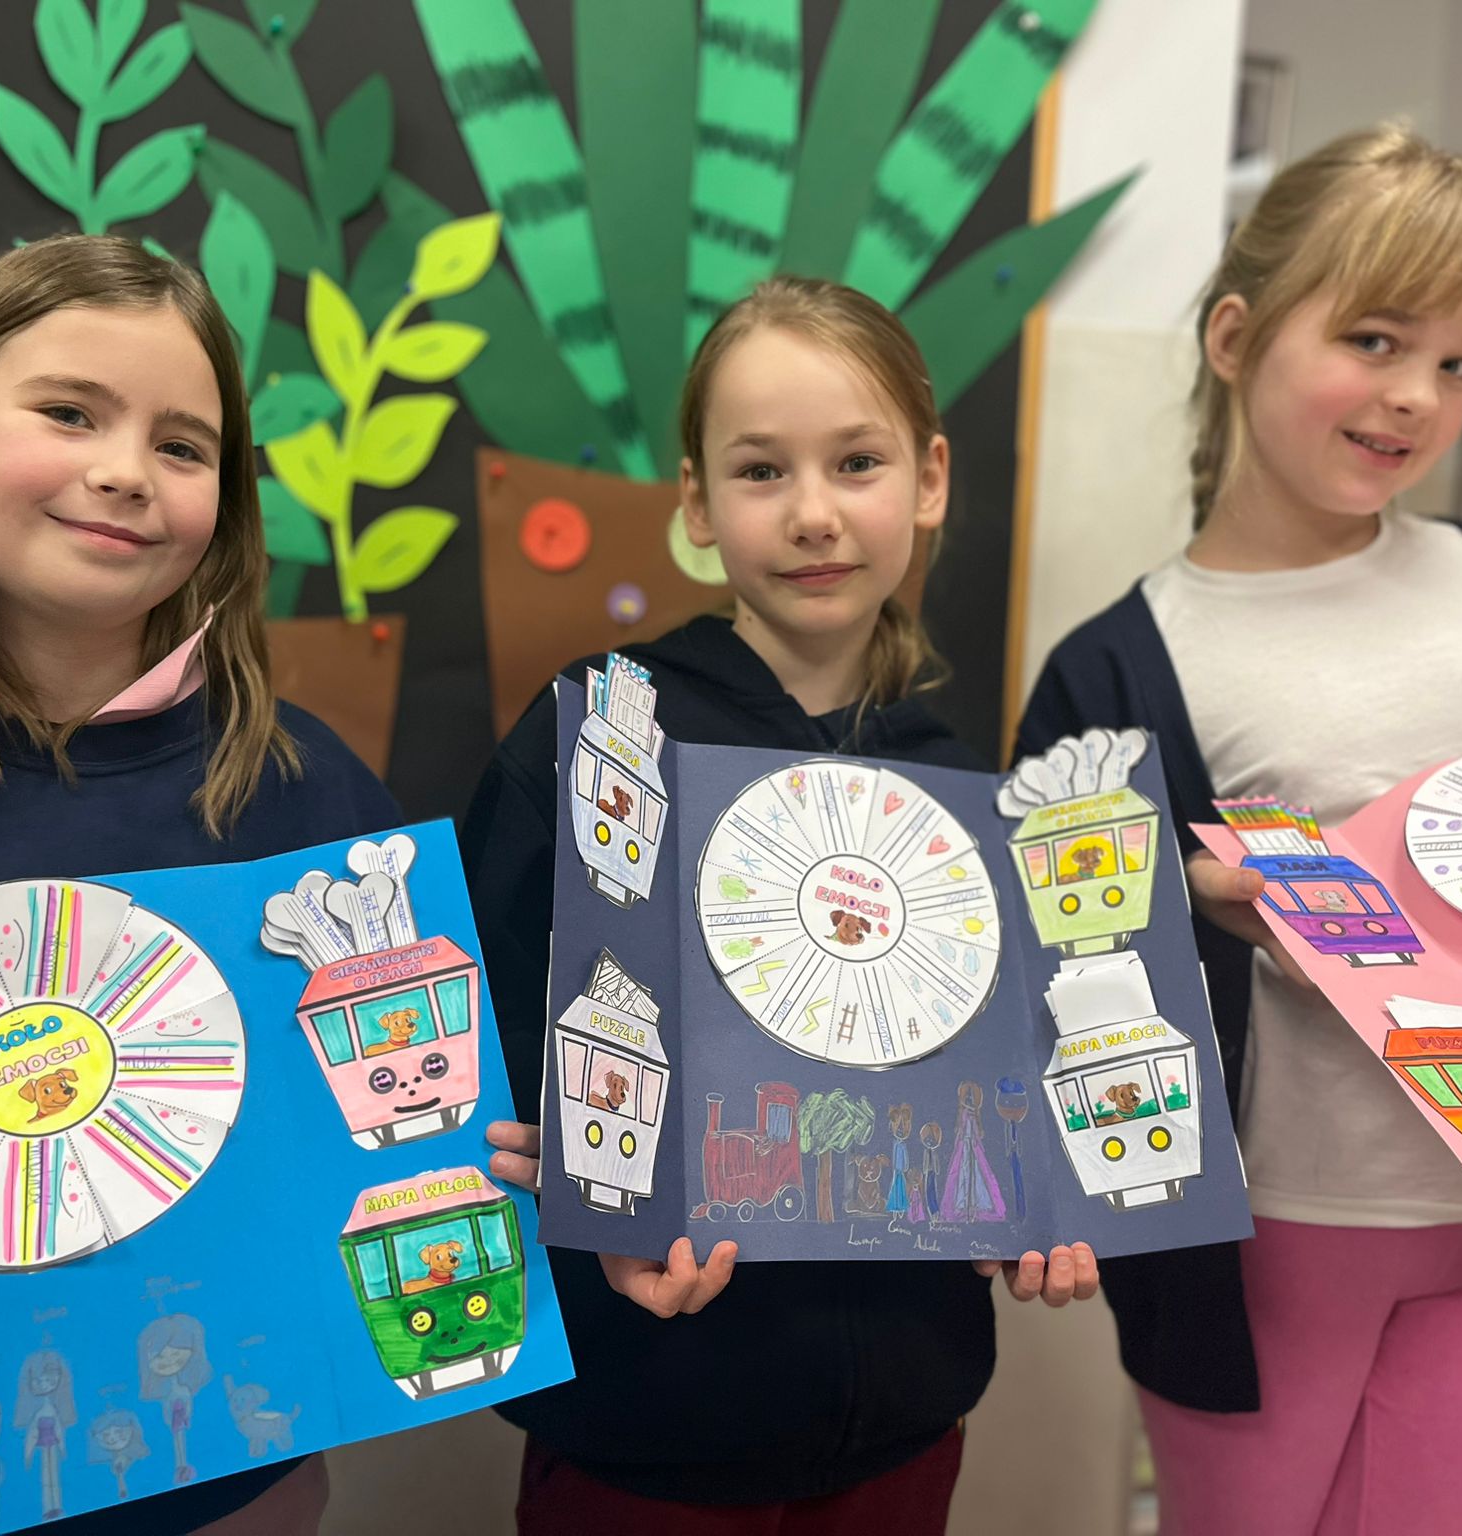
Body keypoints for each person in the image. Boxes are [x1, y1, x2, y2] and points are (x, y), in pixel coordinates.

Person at [1016, 125, 1462, 1536]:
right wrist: (1184, 894)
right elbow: (1042, 962)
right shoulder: (1118, 666)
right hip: (1274, 1234)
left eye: (1458, 363)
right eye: (1374, 339)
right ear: (1234, 337)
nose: (1413, 398)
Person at [0, 233, 404, 1535]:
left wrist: (481, 1150)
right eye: (68, 413)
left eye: (183, 445)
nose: (125, 472)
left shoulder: (308, 793)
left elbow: (399, 1110)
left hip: (227, 1491)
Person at [464, 276, 1098, 1534]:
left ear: (928, 479)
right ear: (697, 503)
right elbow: (483, 1035)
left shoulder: (962, 788)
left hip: (902, 1425)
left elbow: (1006, 1072)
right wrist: (577, 1213)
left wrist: (1040, 1195)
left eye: (856, 463)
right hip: (651, 1422)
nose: (813, 514)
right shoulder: (605, 737)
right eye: (761, 471)